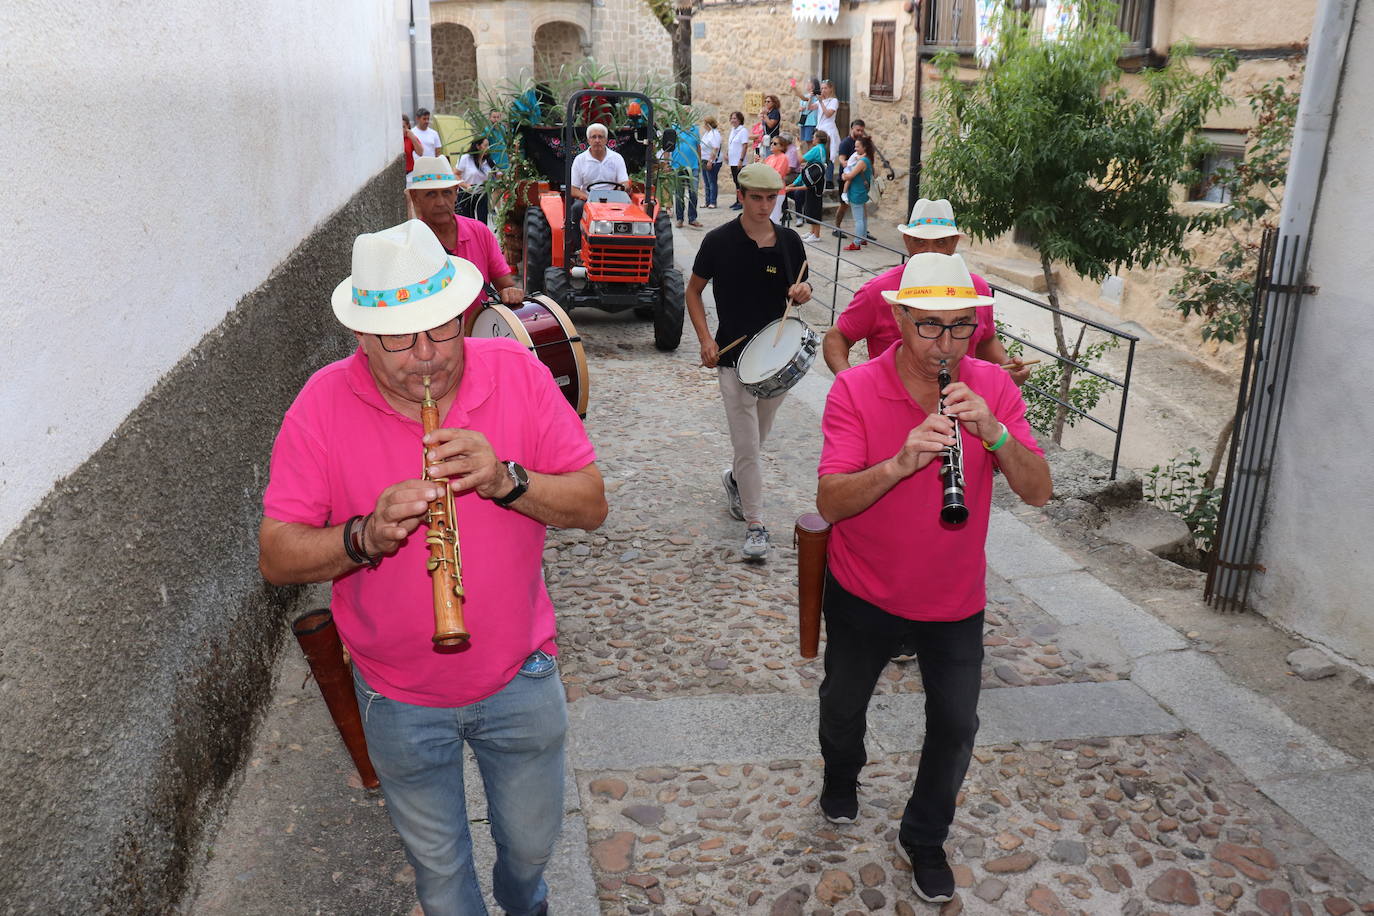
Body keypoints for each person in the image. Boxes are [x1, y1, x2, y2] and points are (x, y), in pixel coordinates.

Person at [258, 219, 608, 916]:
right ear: (362, 337)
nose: (426, 357)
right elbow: (277, 554)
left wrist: (510, 479)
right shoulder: (321, 405)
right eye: (401, 338)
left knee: (533, 849)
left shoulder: (514, 370)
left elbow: (591, 503)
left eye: (441, 329)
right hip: (399, 697)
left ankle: (524, 900)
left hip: (521, 673)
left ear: (461, 315)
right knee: (443, 878)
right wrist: (361, 537)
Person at [814, 251, 1051, 905]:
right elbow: (831, 501)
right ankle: (842, 772)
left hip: (953, 600)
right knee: (841, 708)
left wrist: (997, 435)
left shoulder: (992, 386)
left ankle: (924, 836)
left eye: (959, 328)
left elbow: (1038, 492)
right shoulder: (854, 389)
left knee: (956, 724)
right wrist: (899, 463)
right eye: (928, 327)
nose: (943, 344)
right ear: (899, 320)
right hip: (864, 591)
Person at [686, 163, 813, 560]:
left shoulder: (790, 241)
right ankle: (757, 525)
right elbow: (693, 293)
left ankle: (737, 482)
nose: (763, 205)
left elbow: (804, 285)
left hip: (776, 357)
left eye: (770, 198)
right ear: (741, 196)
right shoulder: (718, 241)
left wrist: (804, 290)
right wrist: (706, 339)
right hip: (733, 357)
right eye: (755, 198)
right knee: (748, 444)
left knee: (758, 435)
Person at [823, 198, 1031, 384]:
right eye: (920, 242)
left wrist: (1007, 366)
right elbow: (836, 337)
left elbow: (985, 341)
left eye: (940, 242)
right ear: (907, 242)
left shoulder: (976, 291)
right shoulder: (879, 291)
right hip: (895, 409)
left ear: (954, 243)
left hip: (962, 409)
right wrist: (850, 386)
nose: (930, 252)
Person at [407, 156, 523, 308]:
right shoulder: (410, 244)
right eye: (431, 194)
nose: (441, 202)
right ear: (416, 198)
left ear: (456, 193)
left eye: (447, 193)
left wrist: (511, 292)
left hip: (479, 329)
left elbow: (505, 285)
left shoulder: (480, 232)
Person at [567, 122, 630, 256]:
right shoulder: (580, 160)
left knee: (630, 213)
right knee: (576, 209)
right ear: (588, 140)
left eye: (600, 137)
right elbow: (573, 189)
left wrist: (618, 192)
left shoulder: (616, 159)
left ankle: (623, 250)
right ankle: (579, 250)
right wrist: (588, 198)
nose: (597, 140)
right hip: (588, 199)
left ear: (606, 140)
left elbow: (625, 183)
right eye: (593, 137)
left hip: (613, 199)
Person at [786, 129, 829, 242]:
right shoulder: (821, 149)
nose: (812, 139)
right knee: (810, 206)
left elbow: (800, 160)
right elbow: (806, 168)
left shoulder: (817, 149)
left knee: (814, 208)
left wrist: (798, 146)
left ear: (818, 139)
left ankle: (816, 235)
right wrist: (794, 183)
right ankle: (812, 232)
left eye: (814, 137)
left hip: (815, 182)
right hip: (815, 180)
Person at [840, 136, 874, 252]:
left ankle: (856, 243)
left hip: (857, 193)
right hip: (862, 191)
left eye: (858, 146)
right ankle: (863, 237)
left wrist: (844, 176)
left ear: (864, 147)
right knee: (863, 217)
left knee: (858, 219)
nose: (855, 148)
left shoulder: (862, 162)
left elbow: (850, 176)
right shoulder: (867, 159)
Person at [832, 120, 865, 235]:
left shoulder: (863, 142)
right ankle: (836, 228)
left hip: (858, 178)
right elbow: (841, 158)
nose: (860, 132)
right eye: (858, 130)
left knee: (862, 204)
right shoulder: (846, 143)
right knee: (844, 205)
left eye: (862, 130)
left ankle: (864, 231)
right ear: (852, 129)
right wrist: (846, 163)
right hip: (846, 177)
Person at [671, 120, 703, 228]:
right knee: (679, 194)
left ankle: (692, 218)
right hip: (678, 165)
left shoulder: (696, 129)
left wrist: (699, 161)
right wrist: (666, 162)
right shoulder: (674, 128)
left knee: (693, 193)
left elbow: (698, 147)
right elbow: (669, 145)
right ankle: (680, 219)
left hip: (693, 166)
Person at [456, 137, 493, 225]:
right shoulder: (466, 158)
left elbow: (497, 175)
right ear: (478, 146)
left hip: (482, 193)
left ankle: (482, 237)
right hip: (466, 192)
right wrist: (466, 185)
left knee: (483, 221)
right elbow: (455, 174)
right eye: (485, 145)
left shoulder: (488, 161)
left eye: (489, 145)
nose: (488, 148)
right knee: (468, 221)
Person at [763, 134, 793, 224]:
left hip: (777, 190)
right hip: (768, 189)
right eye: (771, 143)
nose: (772, 145)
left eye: (775, 143)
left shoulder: (783, 158)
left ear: (782, 147)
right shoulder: (770, 157)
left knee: (774, 217)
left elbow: (777, 174)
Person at [726, 111, 749, 209]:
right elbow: (731, 144)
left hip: (739, 161)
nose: (733, 120)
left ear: (740, 120)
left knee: (740, 182)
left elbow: (745, 146)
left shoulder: (743, 131)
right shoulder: (733, 130)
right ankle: (737, 200)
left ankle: (742, 202)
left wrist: (741, 159)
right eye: (731, 118)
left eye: (735, 118)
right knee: (736, 181)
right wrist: (727, 154)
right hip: (733, 161)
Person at [700, 116, 723, 209]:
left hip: (712, 161)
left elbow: (715, 148)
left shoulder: (715, 134)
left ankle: (713, 202)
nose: (704, 125)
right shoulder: (707, 133)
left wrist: (710, 161)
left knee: (712, 181)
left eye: (705, 123)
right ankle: (707, 201)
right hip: (704, 160)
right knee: (706, 182)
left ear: (708, 124)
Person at [791, 77, 821, 147]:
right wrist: (801, 108)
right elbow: (802, 101)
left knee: (810, 141)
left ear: (813, 85)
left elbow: (807, 103)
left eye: (809, 83)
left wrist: (795, 89)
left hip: (810, 122)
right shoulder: (806, 95)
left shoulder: (815, 96)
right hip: (804, 121)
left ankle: (810, 156)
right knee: (804, 141)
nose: (807, 84)